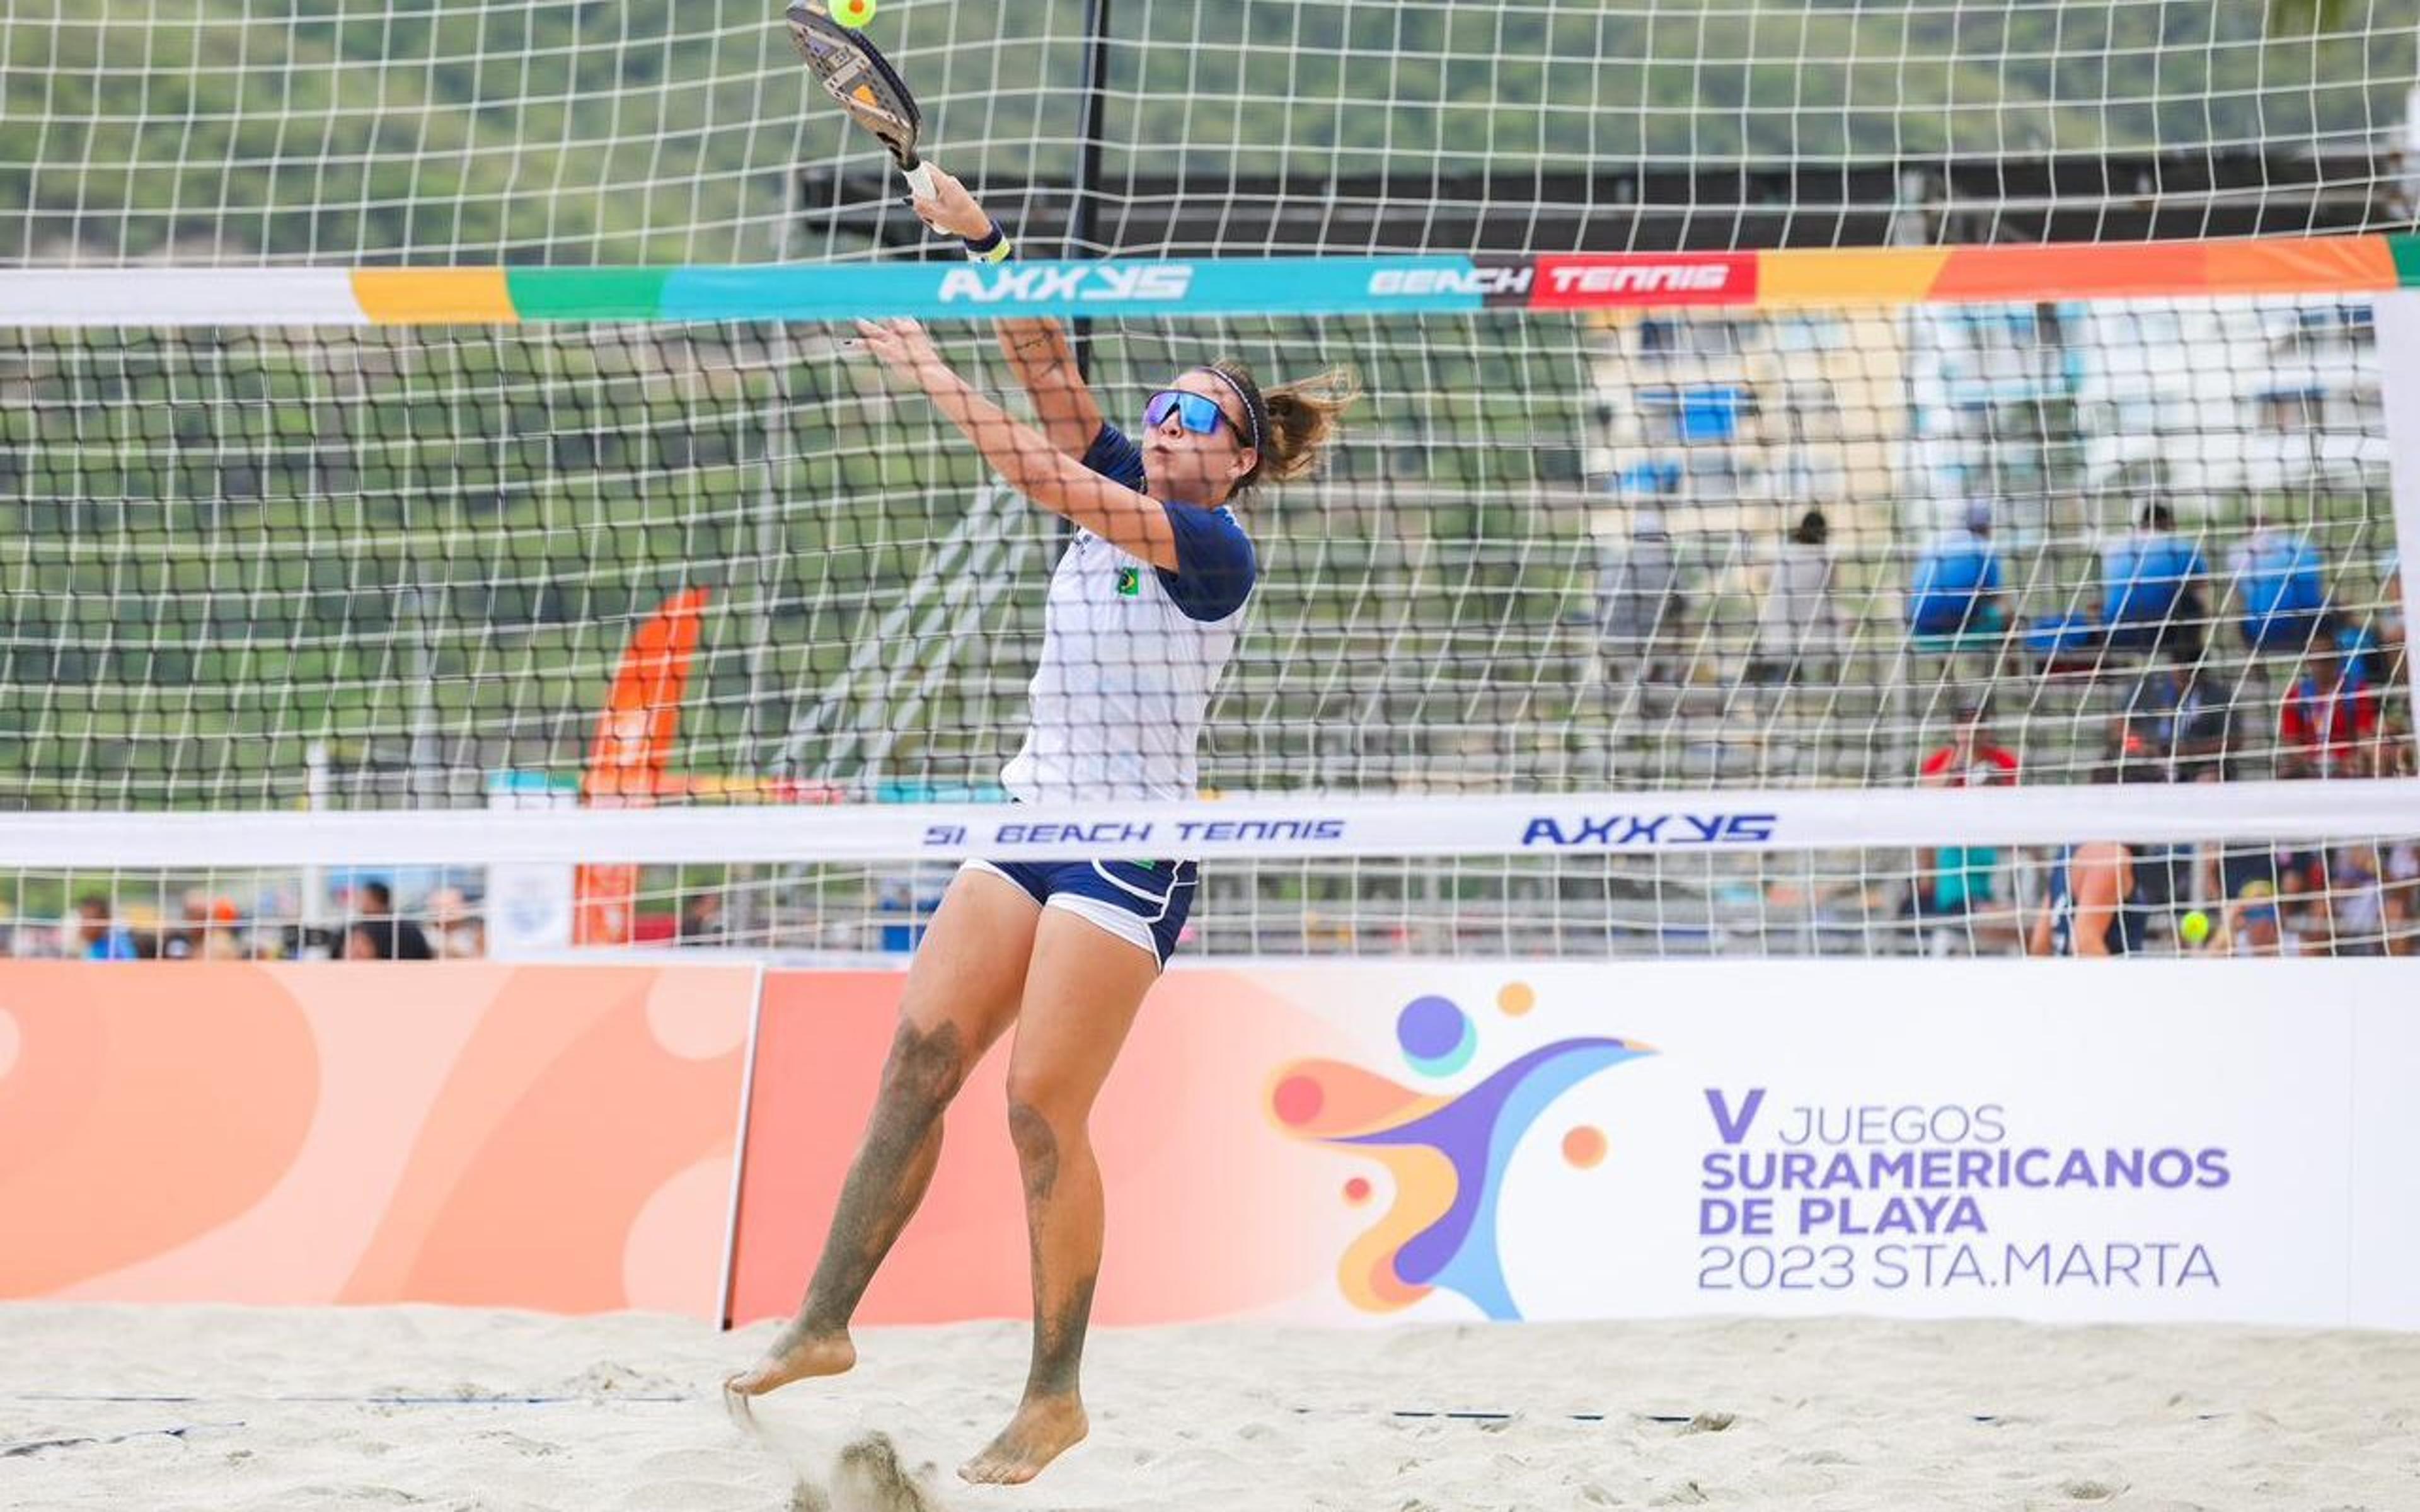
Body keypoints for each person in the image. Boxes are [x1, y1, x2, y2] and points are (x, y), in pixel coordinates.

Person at [724, 162, 1357, 1487]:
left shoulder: (1211, 549)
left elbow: (1037, 466)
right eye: (1163, 406)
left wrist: (930, 375)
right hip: (1031, 815)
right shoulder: (1124, 457)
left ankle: (1055, 1394)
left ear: (1240, 461)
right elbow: (1048, 369)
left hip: (1131, 850)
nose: (1169, 424)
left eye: (1201, 418)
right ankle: (823, 1323)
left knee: (1037, 1113)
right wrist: (984, 241)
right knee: (915, 1064)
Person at [1748, 506, 1838, 683]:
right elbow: (1834, 589)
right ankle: (1831, 688)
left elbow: (1762, 578)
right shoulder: (1827, 558)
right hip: (1804, 635)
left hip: (1774, 632)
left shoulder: (1783, 553)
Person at [347, 879, 435, 961]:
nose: (360, 904)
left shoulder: (363, 930)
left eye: (362, 899)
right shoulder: (409, 927)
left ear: (374, 900)